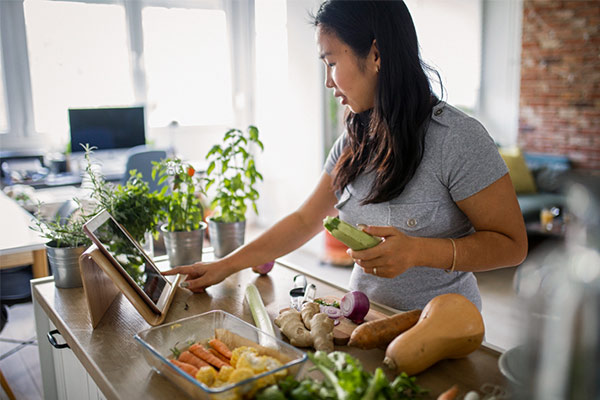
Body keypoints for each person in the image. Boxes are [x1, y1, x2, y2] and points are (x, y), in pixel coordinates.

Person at [164, 0, 527, 311]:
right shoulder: (356, 137)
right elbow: (306, 218)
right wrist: (223, 266)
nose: (327, 81)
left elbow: (513, 246)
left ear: (376, 54)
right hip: (363, 320)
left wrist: (419, 252)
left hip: (442, 332)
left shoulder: (458, 139)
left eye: (332, 62)